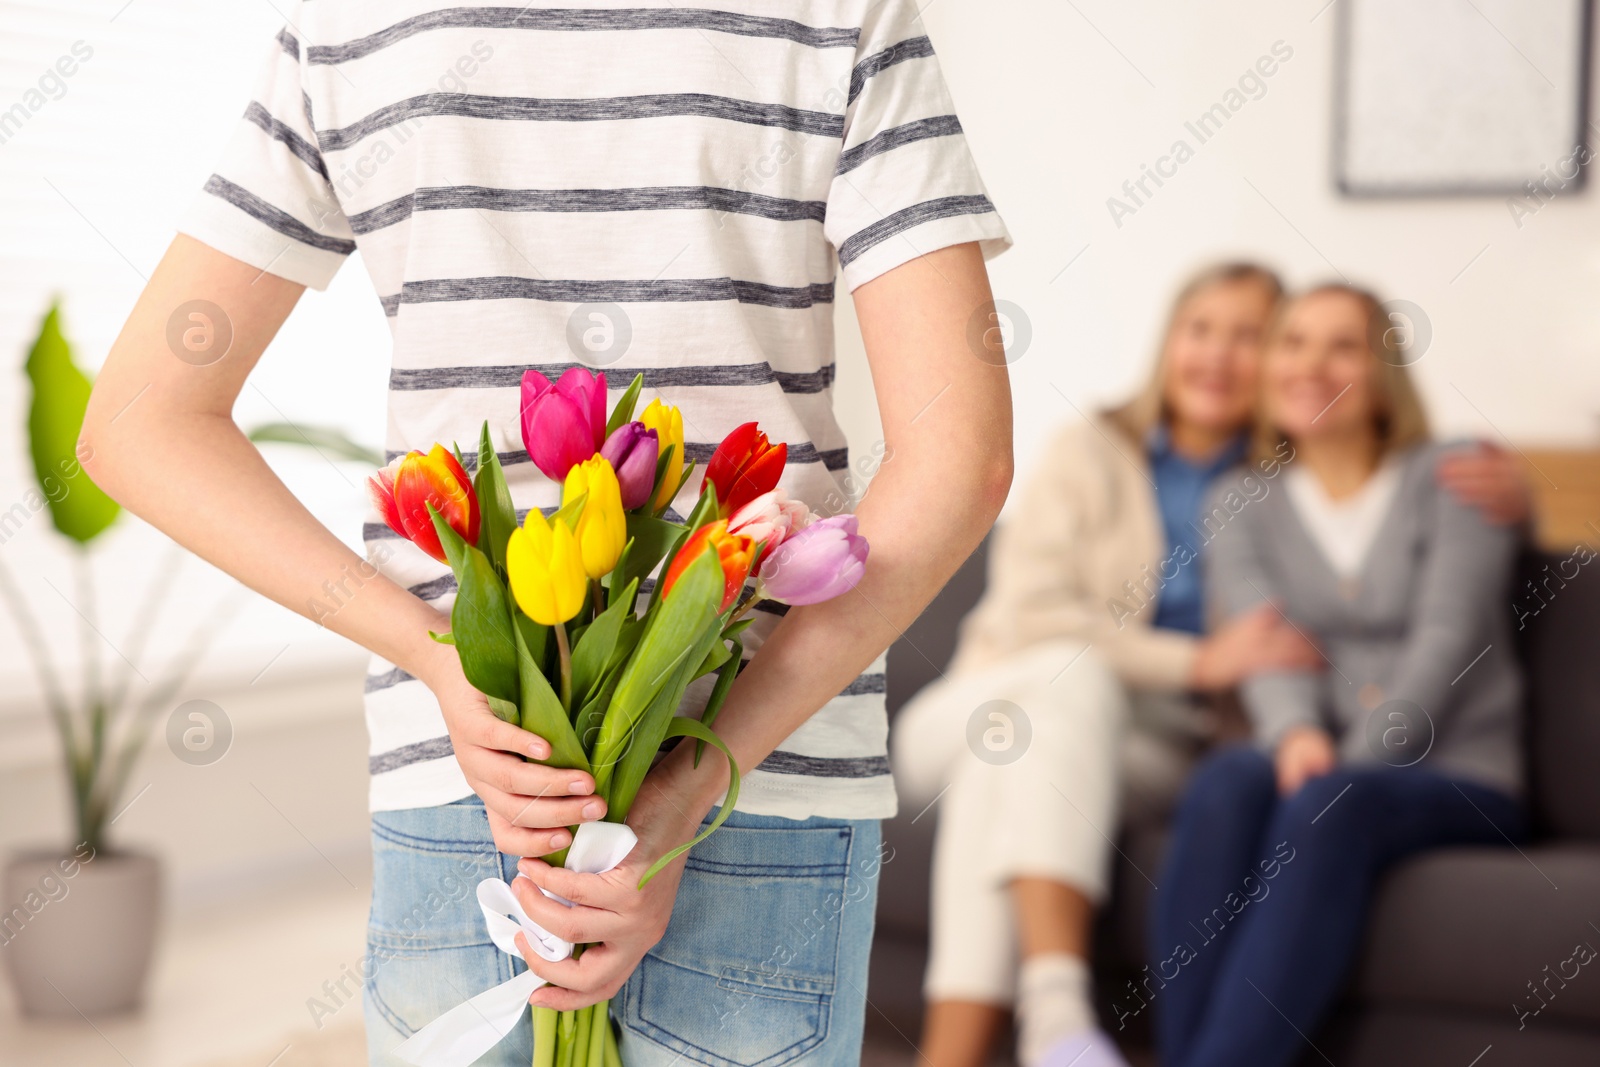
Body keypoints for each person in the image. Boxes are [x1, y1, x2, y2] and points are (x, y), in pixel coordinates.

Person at [78, 4, 1014, 1065]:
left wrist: (443, 662)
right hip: (768, 772)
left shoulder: (349, 20)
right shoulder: (840, 13)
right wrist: (695, 786)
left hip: (479, 785)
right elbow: (961, 460)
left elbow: (135, 423)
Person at [890, 266, 1531, 1067]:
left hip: (1169, 744)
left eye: (1251, 335)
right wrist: (1227, 678)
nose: (1226, 355)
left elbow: (1441, 625)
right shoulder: (1122, 459)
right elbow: (1041, 614)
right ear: (1172, 341)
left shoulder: (1364, 479)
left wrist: (1524, 494)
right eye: (1204, 329)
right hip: (997, 700)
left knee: (1175, 775)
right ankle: (1057, 1015)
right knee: (1073, 709)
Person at [1149, 284, 1528, 1067]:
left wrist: (1344, 764)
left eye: (1342, 346)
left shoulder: (1455, 475)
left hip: (1460, 770)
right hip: (1320, 762)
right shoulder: (1241, 500)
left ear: (1384, 369)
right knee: (1225, 782)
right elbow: (1266, 644)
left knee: (1330, 801)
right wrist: (1293, 737)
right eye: (1292, 342)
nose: (1311, 365)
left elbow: (1447, 640)